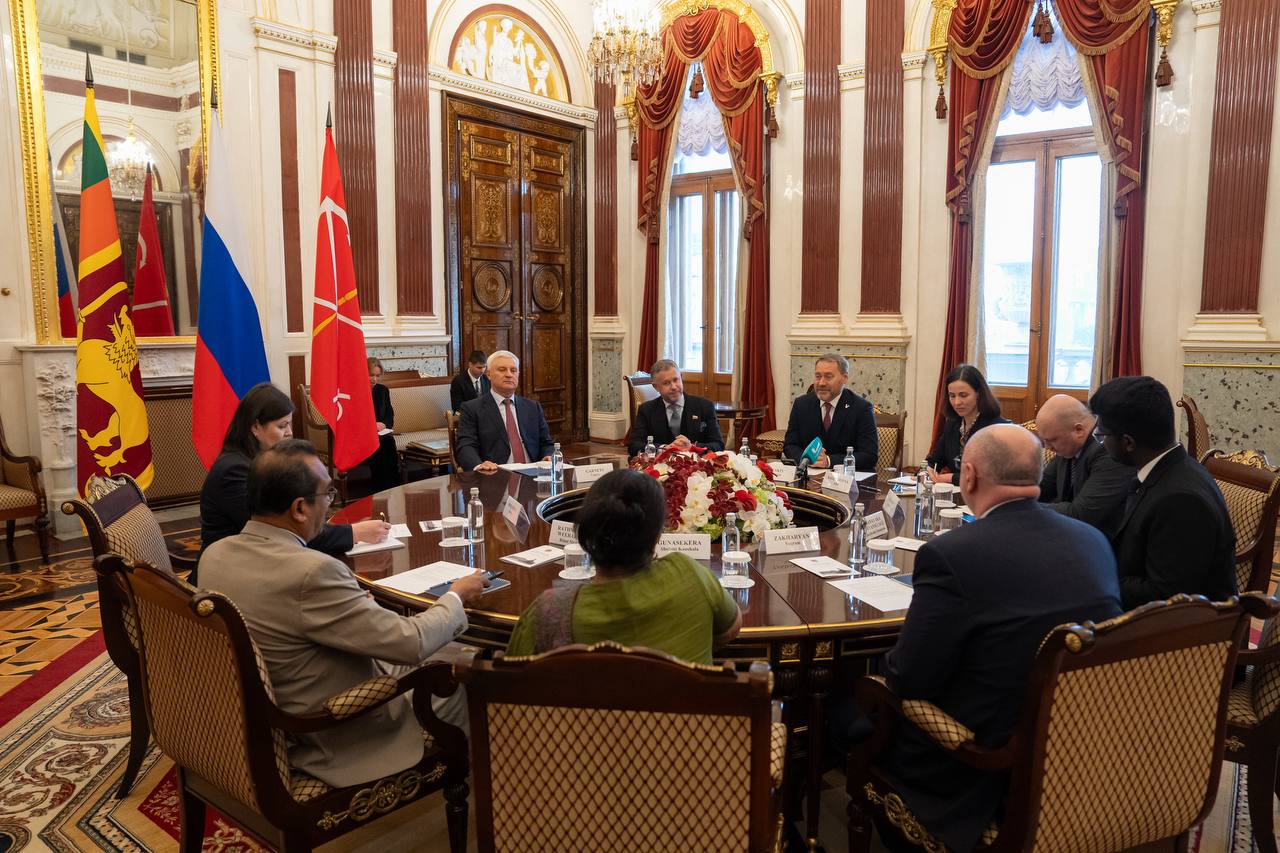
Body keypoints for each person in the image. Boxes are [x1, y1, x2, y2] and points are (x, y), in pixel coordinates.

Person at [877, 424, 1122, 852]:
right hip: (1084, 755)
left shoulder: (954, 555)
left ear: (968, 476)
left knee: (853, 711)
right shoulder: (1093, 541)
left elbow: (908, 678)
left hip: (981, 772)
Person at [199, 439, 488, 788]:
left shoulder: (214, 555)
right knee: (466, 668)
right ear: (299, 509)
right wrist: (457, 595)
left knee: (446, 649)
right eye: (327, 494)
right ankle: (474, 785)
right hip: (333, 730)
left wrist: (351, 603)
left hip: (262, 711)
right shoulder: (312, 572)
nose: (330, 504)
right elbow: (411, 643)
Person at [506, 469, 741, 664]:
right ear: (657, 536)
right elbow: (731, 629)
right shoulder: (690, 574)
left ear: (587, 532)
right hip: (686, 709)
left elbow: (512, 685)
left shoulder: (549, 612)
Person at [1088, 376, 1236, 608]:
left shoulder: (1181, 500)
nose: (1100, 441)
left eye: (1101, 435)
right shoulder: (1168, 468)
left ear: (1128, 442)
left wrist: (1096, 578)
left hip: (1187, 626)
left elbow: (1164, 595)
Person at [199, 383, 389, 562]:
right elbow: (282, 531)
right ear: (256, 427)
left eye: (289, 424)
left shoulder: (262, 462)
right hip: (230, 570)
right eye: (282, 426)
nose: (290, 432)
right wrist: (354, 533)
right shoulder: (234, 470)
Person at [1034, 394, 1134, 538]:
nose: (1048, 447)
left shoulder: (1109, 451)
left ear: (1079, 430)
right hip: (1075, 535)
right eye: (1044, 441)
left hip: (1104, 543)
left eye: (1052, 440)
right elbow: (1042, 487)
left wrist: (1026, 508)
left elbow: (1081, 514)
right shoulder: (1068, 446)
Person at [455, 350, 554, 472]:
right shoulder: (472, 408)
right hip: (496, 475)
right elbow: (466, 446)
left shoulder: (532, 407)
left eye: (513, 370)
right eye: (502, 370)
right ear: (489, 374)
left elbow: (546, 443)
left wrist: (548, 456)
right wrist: (479, 465)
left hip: (534, 474)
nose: (509, 375)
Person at [782, 353, 878, 470]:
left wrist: (829, 461)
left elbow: (869, 455)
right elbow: (790, 445)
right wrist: (807, 459)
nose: (821, 383)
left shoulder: (861, 408)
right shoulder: (801, 404)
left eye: (828, 377)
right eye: (818, 376)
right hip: (808, 474)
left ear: (844, 378)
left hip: (846, 477)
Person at [926, 363, 1009, 483]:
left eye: (963, 395)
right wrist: (927, 470)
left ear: (978, 393)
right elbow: (934, 461)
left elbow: (991, 475)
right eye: (952, 396)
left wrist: (952, 478)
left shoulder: (995, 428)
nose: (957, 402)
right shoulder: (953, 424)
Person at [626, 359, 725, 456]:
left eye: (676, 380)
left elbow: (718, 445)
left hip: (696, 464)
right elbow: (634, 446)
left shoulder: (705, 406)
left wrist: (692, 447)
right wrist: (663, 448)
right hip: (660, 464)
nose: (673, 387)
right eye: (666, 383)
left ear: (681, 377)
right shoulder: (646, 410)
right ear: (655, 387)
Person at [360, 357, 401, 492]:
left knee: (387, 440)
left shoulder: (383, 390)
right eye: (371, 375)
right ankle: (380, 488)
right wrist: (371, 426)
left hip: (381, 433)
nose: (374, 379)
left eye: (377, 376)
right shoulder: (355, 391)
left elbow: (389, 416)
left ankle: (392, 486)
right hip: (362, 434)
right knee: (382, 442)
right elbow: (354, 419)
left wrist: (383, 424)